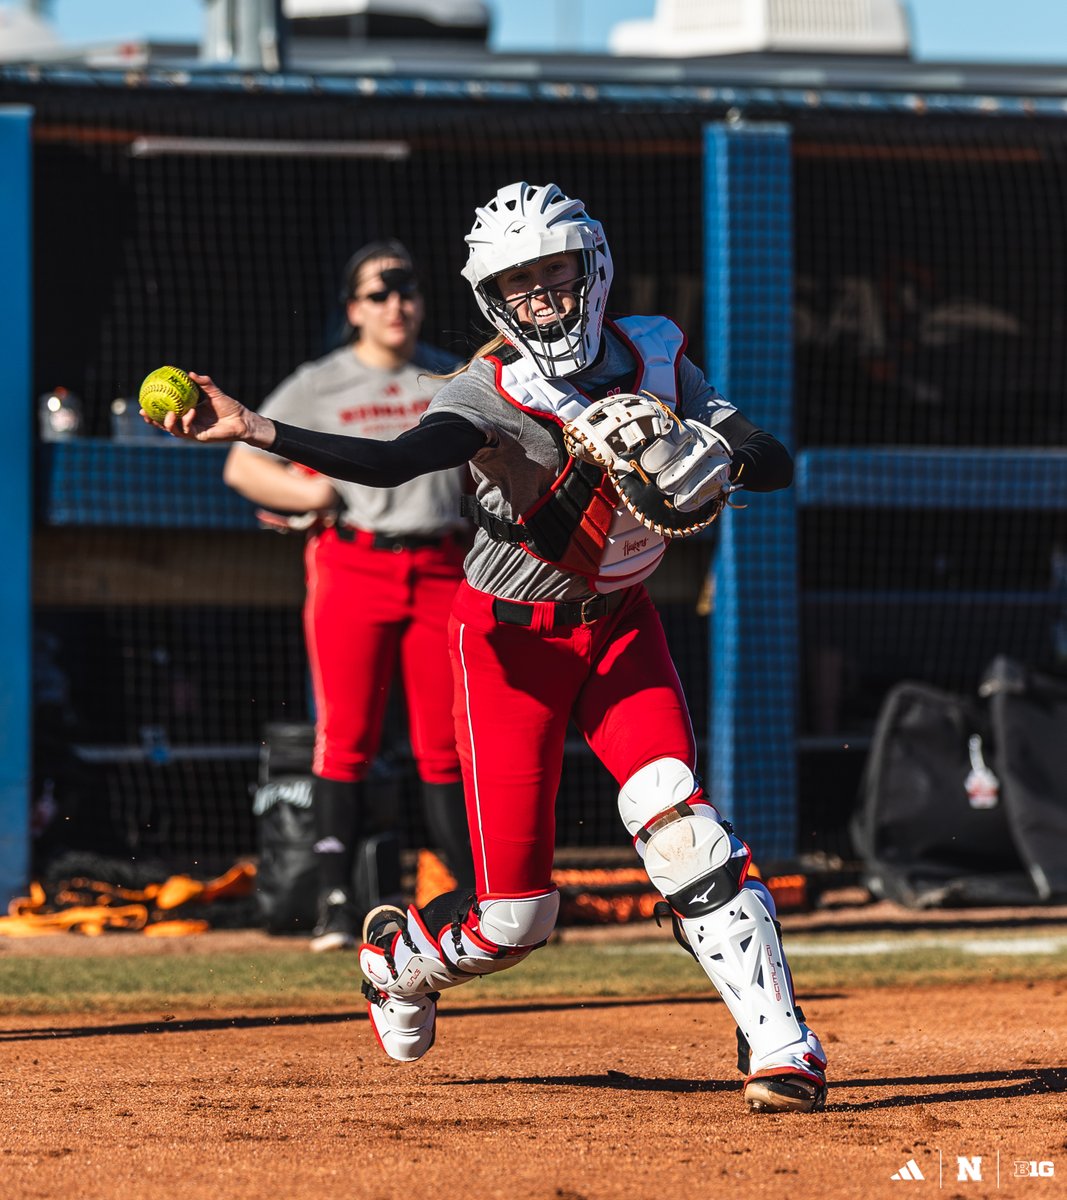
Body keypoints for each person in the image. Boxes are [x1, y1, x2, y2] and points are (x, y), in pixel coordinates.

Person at [147, 182, 828, 1113]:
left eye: (555, 274)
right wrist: (255, 428)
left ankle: (781, 1045)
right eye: (520, 285)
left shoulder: (658, 349)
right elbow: (391, 462)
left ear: (593, 269)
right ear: (492, 300)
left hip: (619, 629)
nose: (542, 299)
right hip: (507, 648)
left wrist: (714, 447)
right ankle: (398, 960)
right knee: (516, 919)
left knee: (685, 827)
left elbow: (772, 456)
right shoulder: (488, 388)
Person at [222, 239, 475, 952]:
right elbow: (244, 464)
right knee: (347, 735)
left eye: (408, 289)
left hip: (441, 565)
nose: (397, 303)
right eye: (379, 291)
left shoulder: (450, 377)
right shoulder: (319, 381)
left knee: (444, 742)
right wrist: (310, 490)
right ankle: (337, 900)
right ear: (352, 309)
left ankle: (476, 897)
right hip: (353, 565)